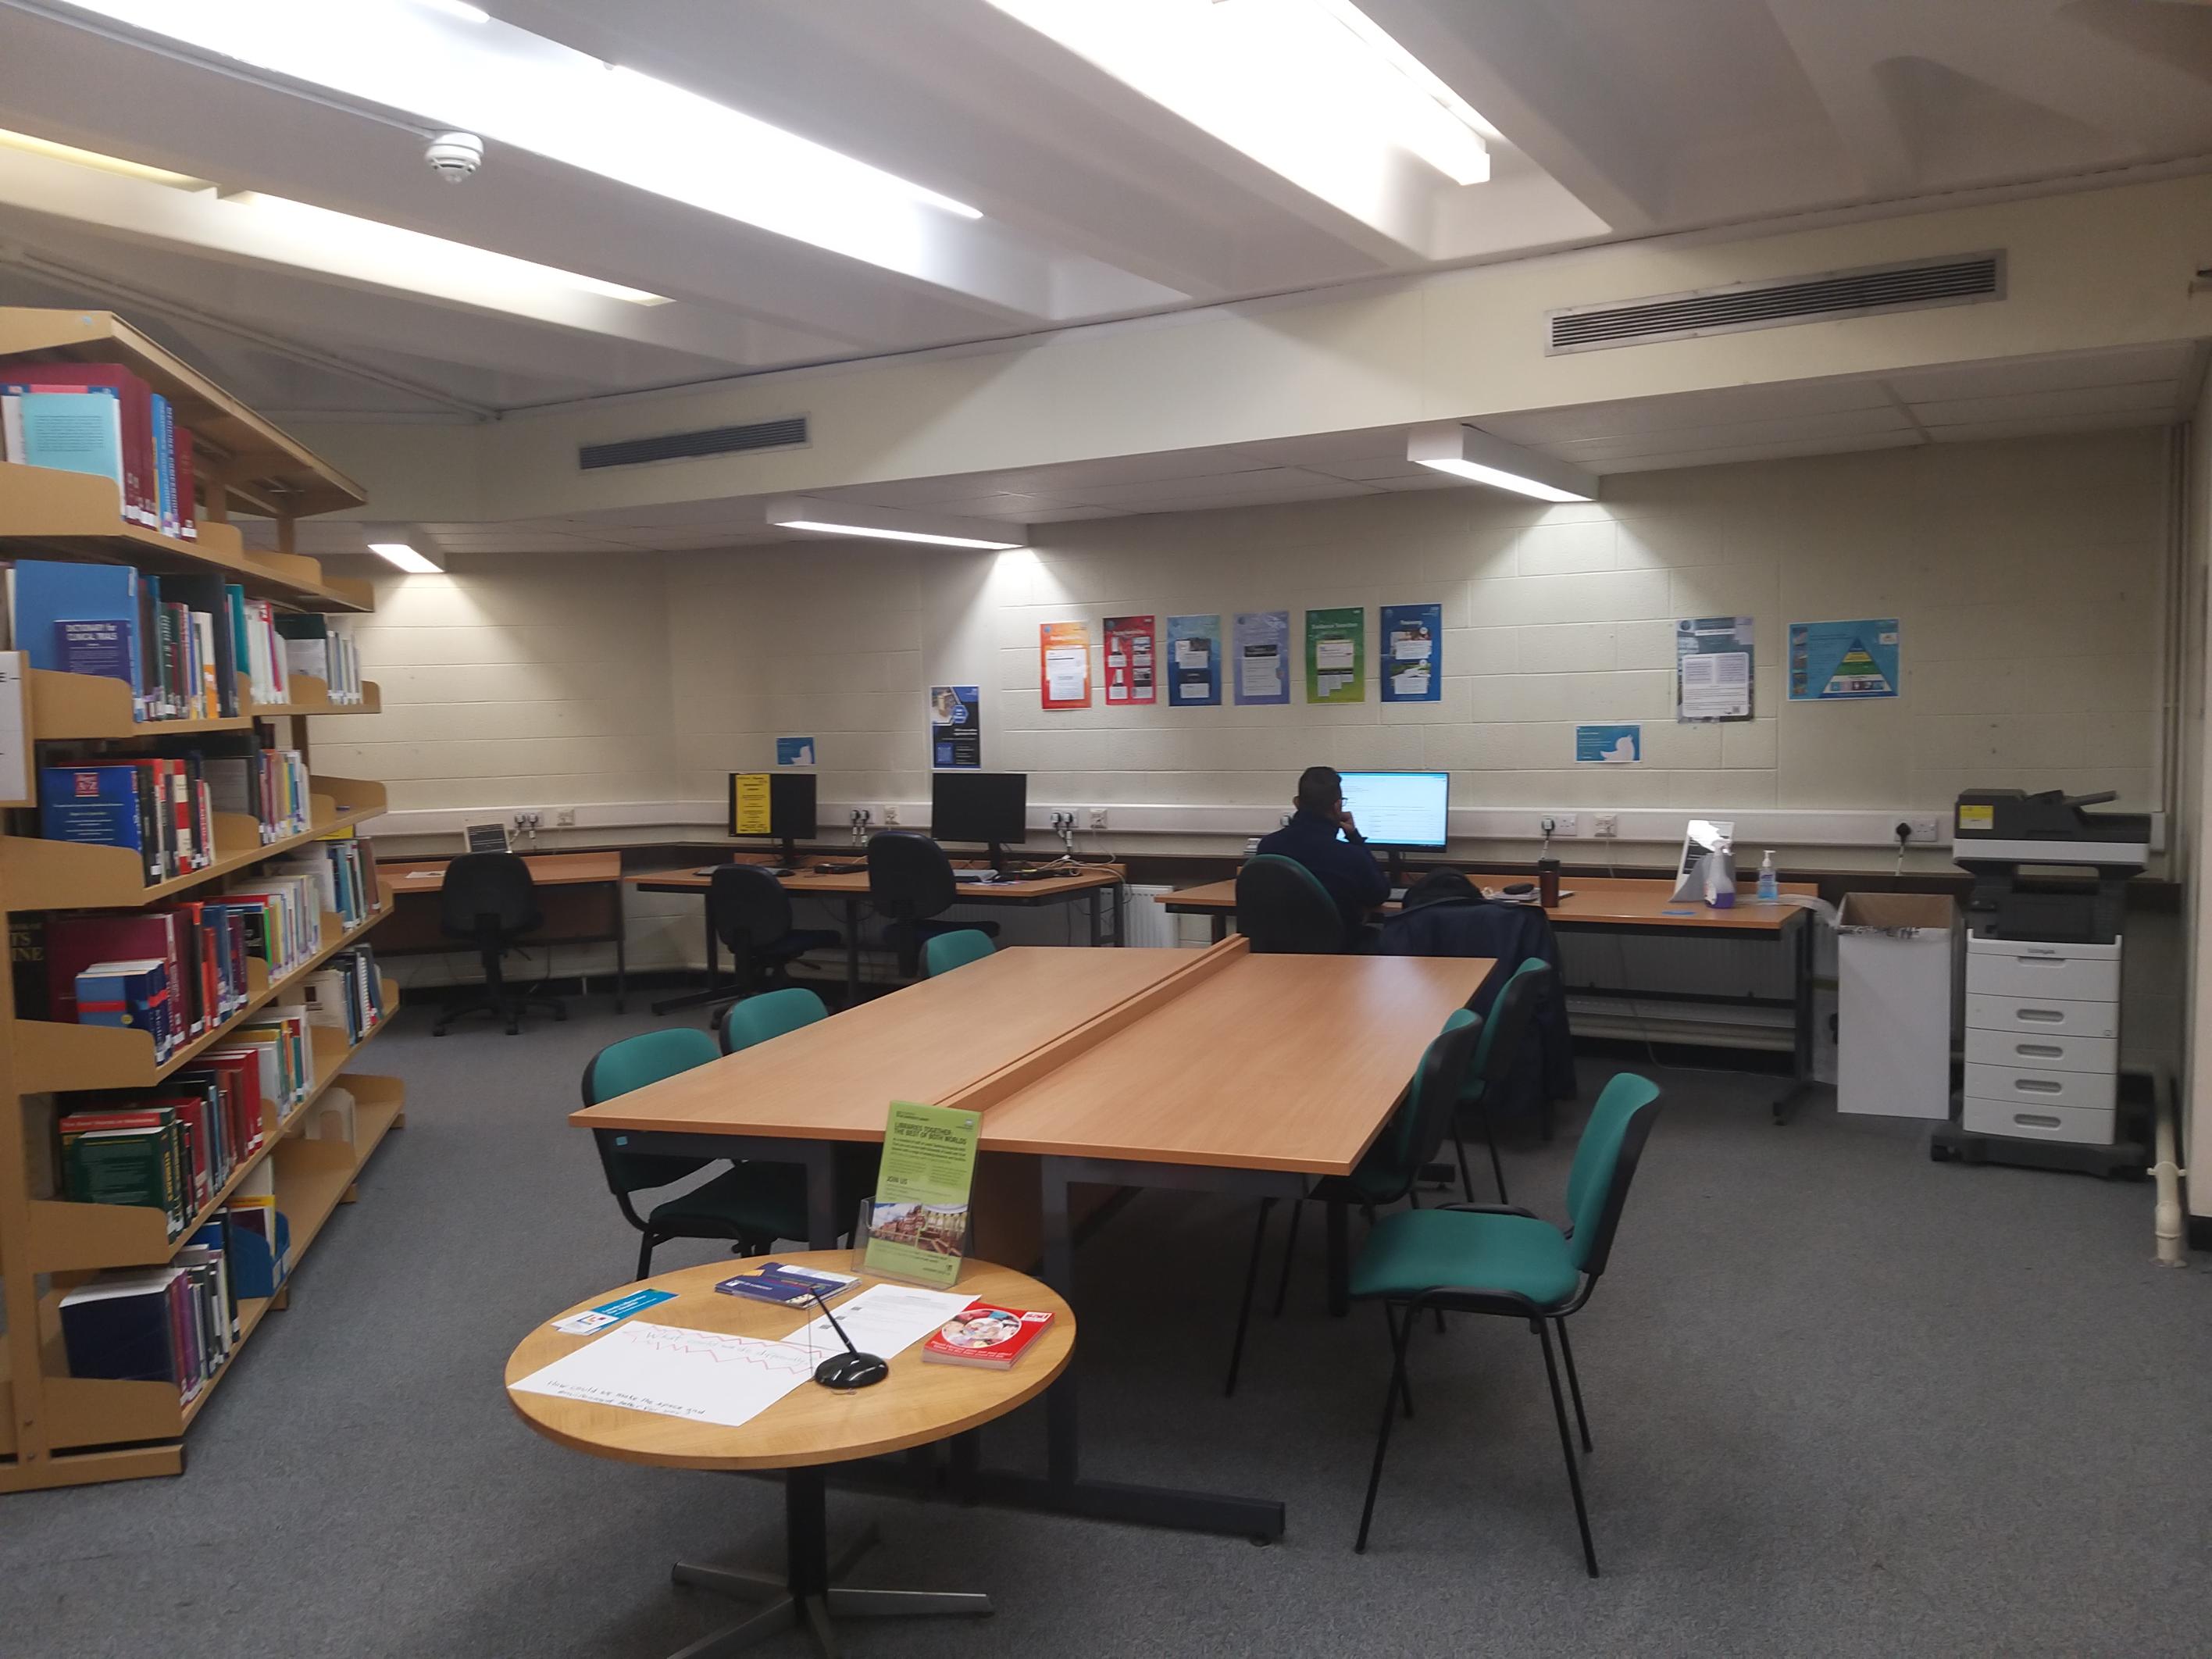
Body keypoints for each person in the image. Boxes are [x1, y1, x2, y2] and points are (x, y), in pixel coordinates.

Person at [1254, 765, 1390, 941]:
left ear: (1297, 803)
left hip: (1278, 955)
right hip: (1339, 954)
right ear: (1337, 806)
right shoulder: (1350, 856)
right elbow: (1379, 896)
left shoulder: (1268, 847)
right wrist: (1354, 837)